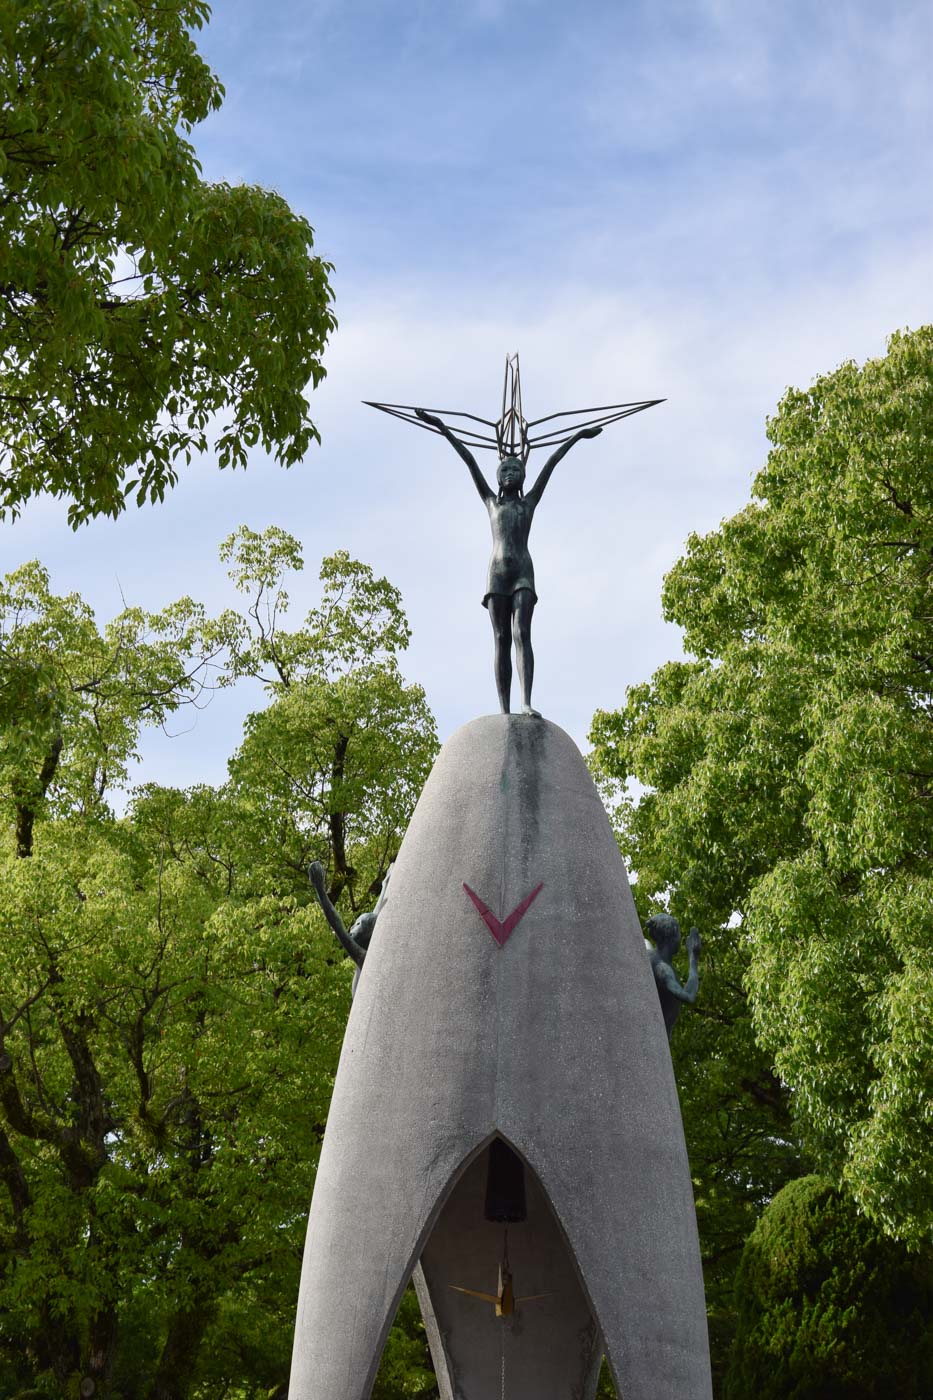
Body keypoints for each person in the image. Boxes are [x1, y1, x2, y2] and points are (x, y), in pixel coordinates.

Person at [415, 408, 601, 716]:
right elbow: (469, 461)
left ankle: (525, 702)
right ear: (498, 477)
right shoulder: (491, 502)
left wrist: (577, 437)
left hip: (522, 574)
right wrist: (442, 428)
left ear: (523, 476)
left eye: (516, 469)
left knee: (521, 634)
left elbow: (552, 462)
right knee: (500, 638)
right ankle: (504, 711)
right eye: (505, 470)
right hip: (497, 576)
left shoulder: (529, 503)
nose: (510, 473)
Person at [645, 913, 701, 1040]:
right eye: (679, 934)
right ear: (672, 938)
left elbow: (644, 943)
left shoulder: (649, 954)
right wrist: (693, 957)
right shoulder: (663, 969)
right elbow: (689, 996)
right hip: (657, 1041)